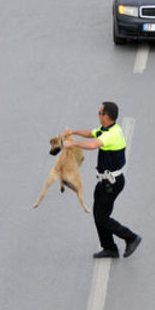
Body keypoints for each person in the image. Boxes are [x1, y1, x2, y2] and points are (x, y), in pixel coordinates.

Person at [64, 102, 142, 258]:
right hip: (104, 181)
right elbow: (91, 134)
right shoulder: (107, 129)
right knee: (98, 214)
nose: (98, 114)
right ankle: (109, 247)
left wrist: (73, 143)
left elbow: (93, 144)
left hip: (112, 182)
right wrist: (74, 131)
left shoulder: (112, 134)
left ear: (106, 116)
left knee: (102, 217)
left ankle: (131, 237)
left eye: (99, 112)